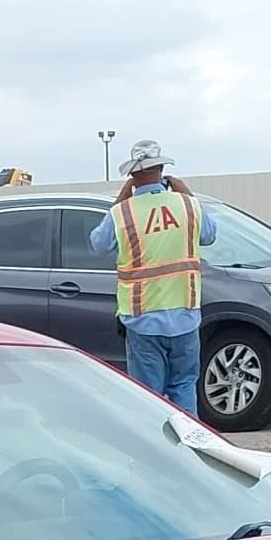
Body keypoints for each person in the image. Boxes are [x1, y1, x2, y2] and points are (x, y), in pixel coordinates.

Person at [90, 139, 216, 413]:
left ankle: (155, 450)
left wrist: (121, 199)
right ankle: (188, 449)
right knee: (184, 386)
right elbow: (209, 235)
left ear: (132, 176)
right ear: (162, 170)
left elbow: (98, 244)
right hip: (185, 315)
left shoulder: (122, 212)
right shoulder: (188, 205)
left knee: (148, 398)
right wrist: (188, 195)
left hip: (142, 319)